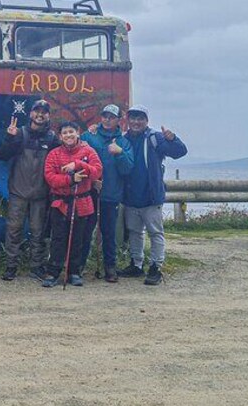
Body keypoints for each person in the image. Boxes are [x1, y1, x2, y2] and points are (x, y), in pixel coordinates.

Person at [119, 104, 188, 285]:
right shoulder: (123, 139)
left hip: (151, 197)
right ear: (128, 120)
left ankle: (156, 267)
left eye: (140, 118)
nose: (136, 122)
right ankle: (136, 264)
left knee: (155, 233)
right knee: (135, 232)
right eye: (133, 118)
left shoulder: (155, 138)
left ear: (146, 121)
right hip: (131, 197)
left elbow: (180, 152)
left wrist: (173, 139)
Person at [0, 99, 60, 281]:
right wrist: (9, 138)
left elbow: (64, 156)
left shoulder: (53, 139)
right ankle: (11, 266)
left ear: (48, 116)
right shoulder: (19, 134)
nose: (40, 115)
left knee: (38, 232)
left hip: (41, 194)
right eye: (37, 111)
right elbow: (1, 155)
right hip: (18, 192)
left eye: (44, 112)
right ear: (31, 113)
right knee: (13, 230)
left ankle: (36, 266)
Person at [42, 121, 102, 287]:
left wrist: (78, 164)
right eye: (65, 133)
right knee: (58, 239)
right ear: (60, 136)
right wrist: (70, 179)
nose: (68, 135)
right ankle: (53, 272)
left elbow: (97, 171)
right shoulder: (54, 154)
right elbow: (50, 177)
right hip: (60, 203)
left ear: (78, 133)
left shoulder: (88, 151)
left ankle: (74, 272)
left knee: (78, 239)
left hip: (82, 202)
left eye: (71, 132)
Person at [81, 104, 134, 282]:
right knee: (85, 231)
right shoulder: (89, 135)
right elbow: (77, 156)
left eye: (111, 117)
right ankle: (78, 266)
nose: (107, 120)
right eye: (105, 116)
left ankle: (110, 267)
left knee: (109, 233)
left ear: (118, 119)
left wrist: (119, 153)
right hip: (89, 193)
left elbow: (127, 169)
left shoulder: (124, 142)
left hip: (111, 195)